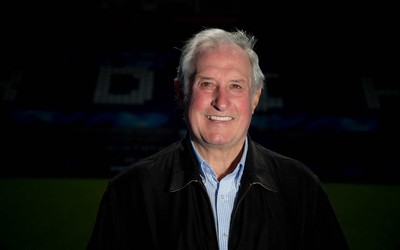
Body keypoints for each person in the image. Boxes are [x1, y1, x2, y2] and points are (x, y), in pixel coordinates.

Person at [87, 27, 349, 250]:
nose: (221, 103)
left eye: (236, 86)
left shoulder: (301, 187)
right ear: (181, 91)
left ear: (255, 97)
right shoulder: (131, 190)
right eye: (207, 83)